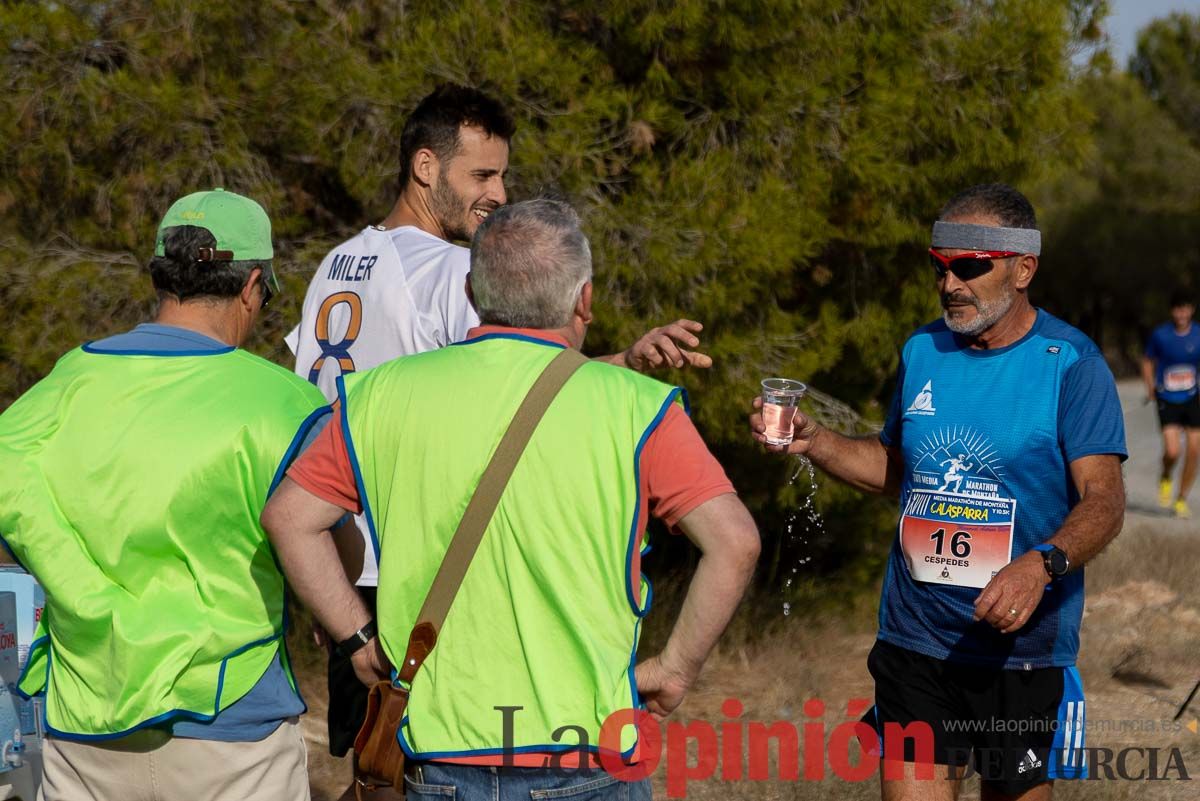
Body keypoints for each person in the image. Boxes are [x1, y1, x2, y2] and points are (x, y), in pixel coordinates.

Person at [285, 83, 715, 788]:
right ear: (426, 167)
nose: (499, 193)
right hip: (425, 592)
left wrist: (331, 604)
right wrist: (621, 370)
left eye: (502, 174)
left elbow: (321, 413)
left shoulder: (338, 263)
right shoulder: (451, 271)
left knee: (374, 773)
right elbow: (516, 381)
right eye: (481, 175)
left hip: (343, 570)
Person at [751, 183, 1126, 801]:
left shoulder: (1071, 364)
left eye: (971, 267)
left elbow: (1105, 502)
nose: (951, 284)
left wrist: (1042, 564)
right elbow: (902, 471)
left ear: (1023, 268)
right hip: (916, 640)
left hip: (1021, 652)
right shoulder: (922, 350)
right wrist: (814, 441)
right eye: (939, 267)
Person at [0, 189, 327, 800]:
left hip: (87, 718)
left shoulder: (71, 379)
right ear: (252, 284)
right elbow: (329, 545)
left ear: (162, 274)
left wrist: (81, 588)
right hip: (233, 717)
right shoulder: (286, 401)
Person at [1142, 290, 1200, 518]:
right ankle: (1166, 474)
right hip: (1168, 397)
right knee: (1173, 451)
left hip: (1192, 396)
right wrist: (1150, 388)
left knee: (1195, 450)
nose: (1182, 313)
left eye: (1185, 308)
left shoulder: (1198, 334)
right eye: (1177, 308)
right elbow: (1147, 361)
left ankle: (1181, 499)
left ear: (1191, 310)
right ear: (1172, 311)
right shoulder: (1161, 335)